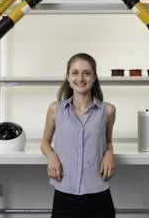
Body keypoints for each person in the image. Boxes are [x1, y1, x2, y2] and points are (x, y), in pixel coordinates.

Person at [41, 53, 116, 218]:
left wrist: (109, 153)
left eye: (86, 73)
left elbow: (108, 141)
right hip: (64, 193)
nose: (80, 78)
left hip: (99, 193)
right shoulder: (55, 109)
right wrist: (52, 156)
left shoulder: (108, 110)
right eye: (75, 72)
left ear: (94, 77)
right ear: (67, 77)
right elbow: (45, 144)